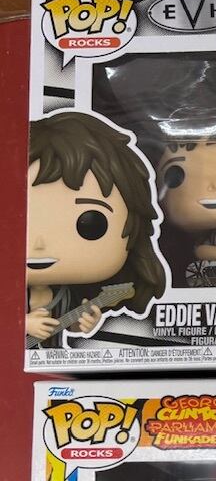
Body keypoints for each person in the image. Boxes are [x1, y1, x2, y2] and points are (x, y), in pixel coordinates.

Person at [26, 112, 166, 347]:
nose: (39, 244)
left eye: (91, 224)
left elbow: (67, 325)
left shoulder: (65, 294)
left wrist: (84, 324)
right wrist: (23, 324)